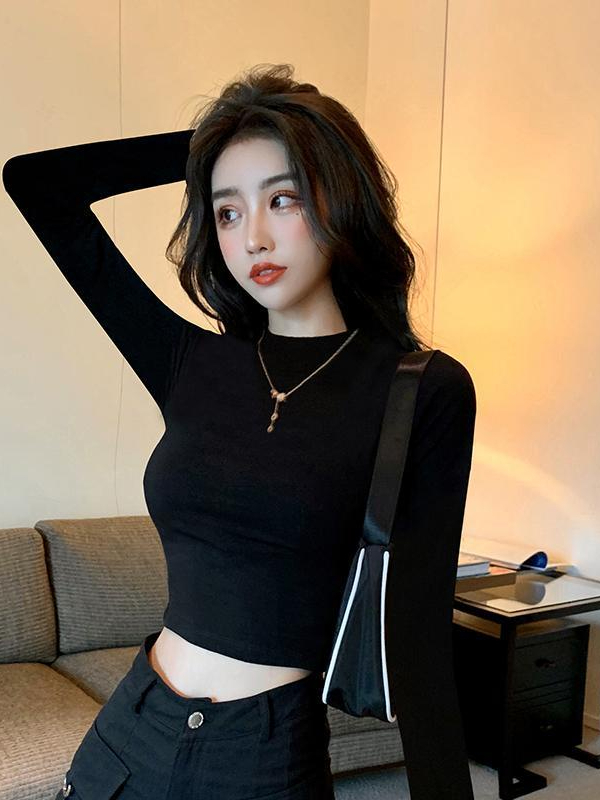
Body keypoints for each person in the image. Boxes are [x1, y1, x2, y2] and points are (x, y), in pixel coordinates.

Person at [2, 63, 476, 800]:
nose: (252, 236)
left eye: (282, 198)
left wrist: (293, 133)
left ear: (339, 195)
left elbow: (418, 639)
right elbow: (38, 184)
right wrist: (222, 139)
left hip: (264, 760)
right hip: (130, 734)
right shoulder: (189, 362)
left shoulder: (420, 390)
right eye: (227, 212)